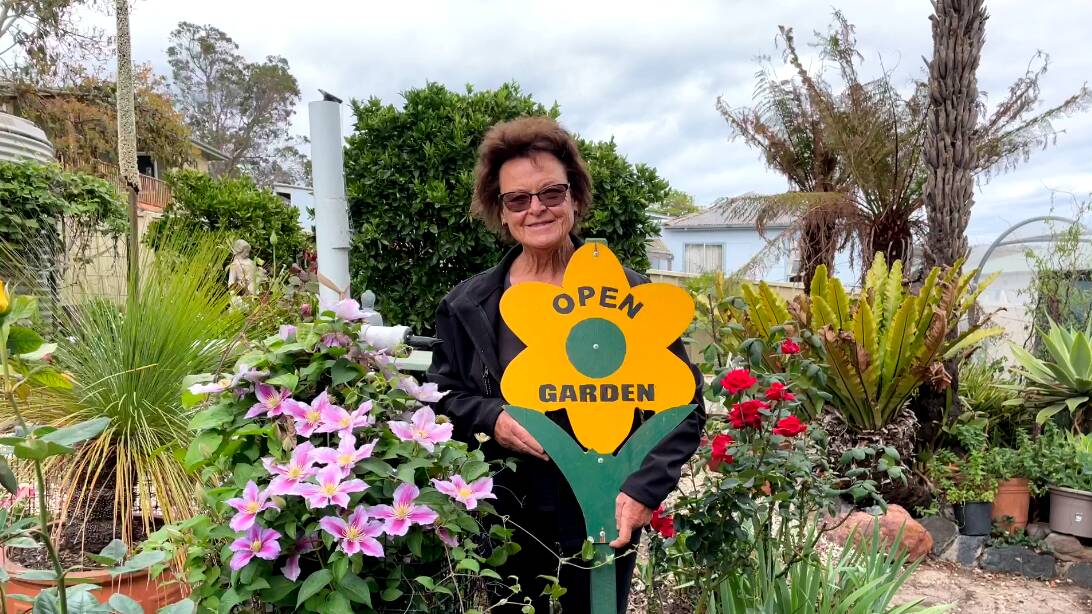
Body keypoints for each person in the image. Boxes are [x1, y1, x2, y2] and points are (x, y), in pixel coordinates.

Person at [427, 116, 704, 612]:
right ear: (502, 210)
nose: (537, 208)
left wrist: (644, 489)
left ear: (574, 197)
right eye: (518, 199)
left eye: (551, 193)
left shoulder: (633, 295)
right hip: (506, 510)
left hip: (604, 505)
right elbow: (441, 398)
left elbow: (684, 405)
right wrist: (494, 417)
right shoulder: (468, 305)